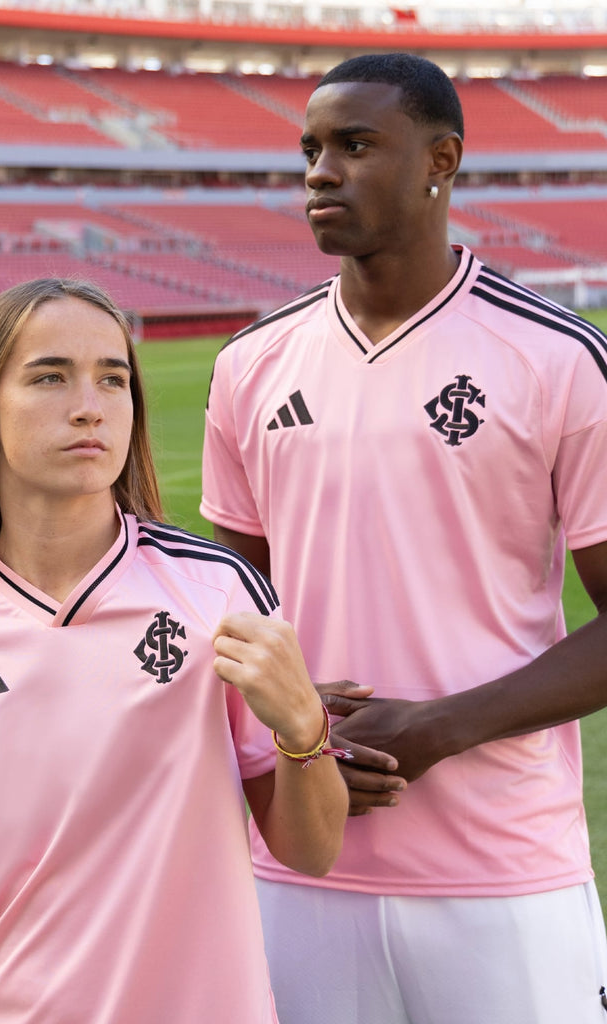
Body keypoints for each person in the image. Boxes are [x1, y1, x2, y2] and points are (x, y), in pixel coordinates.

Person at [201, 52, 607, 1024]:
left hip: (502, 873)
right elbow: (234, 618)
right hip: (301, 864)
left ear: (441, 160)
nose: (319, 171)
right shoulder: (250, 366)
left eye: (353, 145)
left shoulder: (555, 359)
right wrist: (289, 741)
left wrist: (436, 729)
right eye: (308, 150)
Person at [0, 277, 349, 1024]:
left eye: (113, 379)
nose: (90, 405)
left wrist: (305, 729)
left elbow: (311, 850)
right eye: (50, 377)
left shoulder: (217, 592)